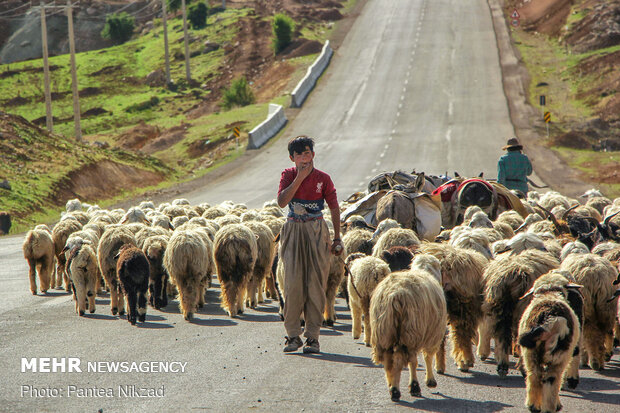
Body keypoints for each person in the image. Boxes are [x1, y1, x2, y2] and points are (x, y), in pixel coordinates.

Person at [277, 136, 343, 354]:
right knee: (293, 283)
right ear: (292, 158)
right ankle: (293, 336)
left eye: (308, 153)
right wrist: (299, 178)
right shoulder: (288, 175)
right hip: (294, 230)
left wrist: (337, 238)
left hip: (316, 230)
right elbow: (282, 202)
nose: (305, 158)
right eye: (299, 155)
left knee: (316, 284)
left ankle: (313, 337)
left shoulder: (323, 179)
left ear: (313, 154)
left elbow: (334, 207)